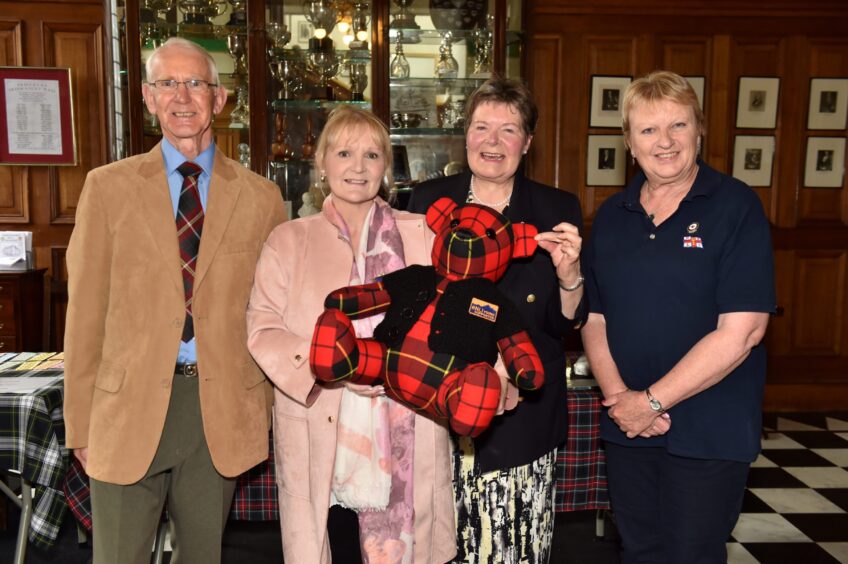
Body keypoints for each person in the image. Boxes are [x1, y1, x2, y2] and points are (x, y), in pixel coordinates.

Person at [63, 37, 286, 564]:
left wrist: (270, 411)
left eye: (196, 84)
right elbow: (85, 311)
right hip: (125, 409)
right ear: (146, 96)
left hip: (218, 411)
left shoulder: (261, 198)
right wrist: (80, 422)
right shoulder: (106, 189)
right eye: (167, 83)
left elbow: (274, 313)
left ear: (220, 99)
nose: (182, 96)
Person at [247, 105, 456, 564]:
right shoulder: (289, 240)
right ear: (322, 163)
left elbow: (454, 323)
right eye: (344, 153)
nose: (357, 167)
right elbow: (263, 329)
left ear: (386, 168)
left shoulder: (422, 235)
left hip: (407, 420)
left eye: (371, 155)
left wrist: (402, 367)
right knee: (330, 546)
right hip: (322, 425)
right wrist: (337, 369)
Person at [581, 70, 776, 563]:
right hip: (628, 427)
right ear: (628, 141)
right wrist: (621, 400)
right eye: (647, 130)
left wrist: (649, 402)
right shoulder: (611, 215)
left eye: (678, 126)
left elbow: (744, 330)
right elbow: (594, 318)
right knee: (640, 551)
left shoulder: (735, 206)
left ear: (700, 129)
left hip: (711, 426)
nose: (664, 142)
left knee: (690, 555)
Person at [408, 76, 585, 563]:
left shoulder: (556, 209)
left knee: (514, 549)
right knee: (435, 548)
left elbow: (562, 323)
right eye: (481, 127)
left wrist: (570, 276)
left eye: (508, 130)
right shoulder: (425, 202)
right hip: (435, 410)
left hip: (522, 417)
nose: (492, 141)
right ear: (464, 134)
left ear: (527, 142)